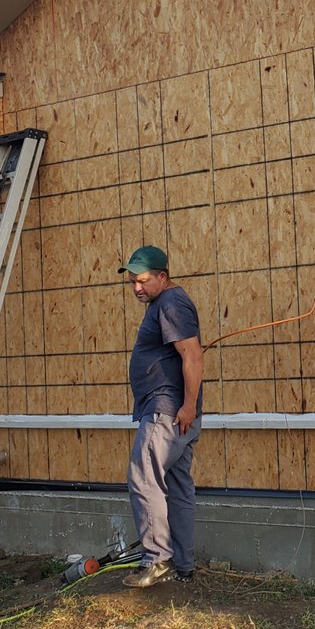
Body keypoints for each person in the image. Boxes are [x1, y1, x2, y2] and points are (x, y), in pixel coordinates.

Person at [120, 244, 205, 588]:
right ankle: (183, 564)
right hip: (176, 411)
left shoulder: (170, 303)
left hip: (167, 411)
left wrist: (186, 406)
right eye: (132, 283)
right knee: (178, 486)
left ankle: (157, 561)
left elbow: (193, 357)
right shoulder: (167, 303)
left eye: (142, 281)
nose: (136, 288)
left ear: (162, 276)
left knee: (143, 477)